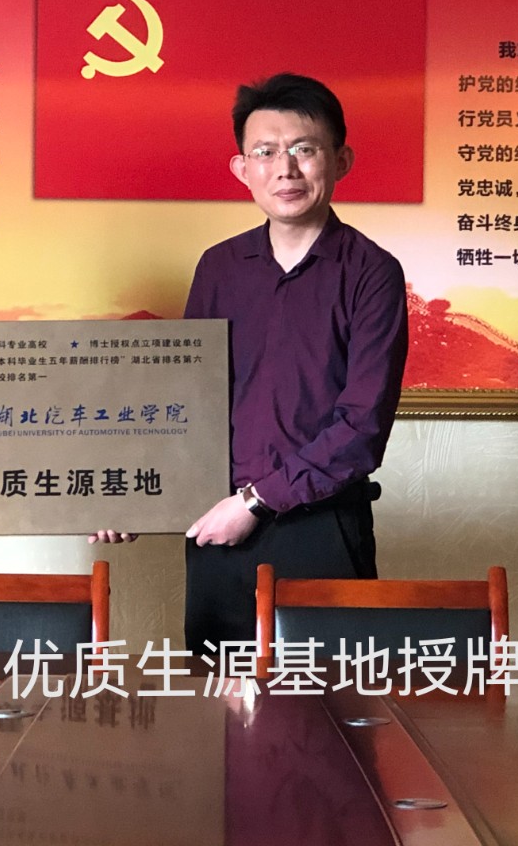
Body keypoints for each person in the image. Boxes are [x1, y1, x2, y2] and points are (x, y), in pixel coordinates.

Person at [179, 73, 409, 650]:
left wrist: (257, 501)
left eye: (304, 149)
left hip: (322, 527)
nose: (285, 169)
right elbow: (186, 401)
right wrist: (133, 494)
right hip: (219, 525)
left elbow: (362, 427)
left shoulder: (372, 273)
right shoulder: (218, 268)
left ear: (341, 160)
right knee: (220, 696)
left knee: (327, 697)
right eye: (265, 152)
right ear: (242, 168)